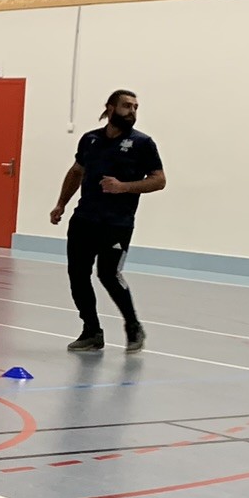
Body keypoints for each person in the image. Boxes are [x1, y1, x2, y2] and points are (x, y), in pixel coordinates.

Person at [50, 88, 164, 353]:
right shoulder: (90, 140)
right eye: (127, 106)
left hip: (117, 223)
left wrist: (122, 187)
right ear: (110, 108)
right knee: (78, 275)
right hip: (84, 219)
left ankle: (133, 326)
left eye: (136, 107)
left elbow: (159, 180)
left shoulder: (142, 143)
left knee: (108, 275)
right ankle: (91, 330)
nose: (132, 111)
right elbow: (77, 171)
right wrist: (61, 204)